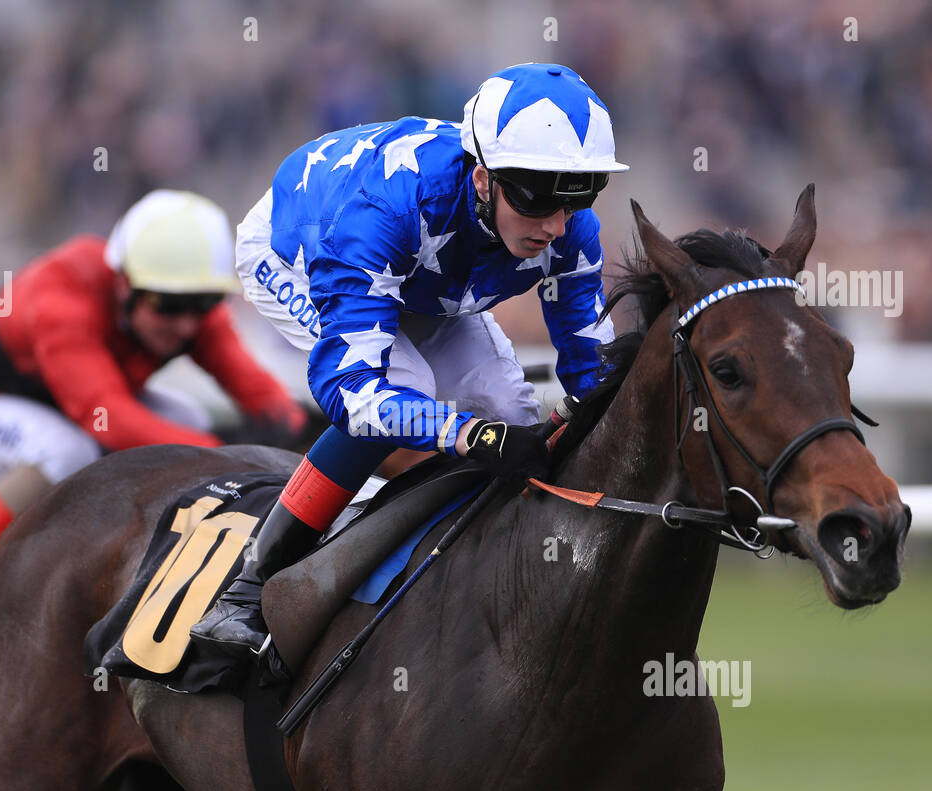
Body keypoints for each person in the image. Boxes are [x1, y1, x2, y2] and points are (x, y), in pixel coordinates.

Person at [188, 63, 628, 681]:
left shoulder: (569, 228)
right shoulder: (381, 212)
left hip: (420, 277)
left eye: (580, 192)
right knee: (407, 396)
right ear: (483, 178)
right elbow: (352, 392)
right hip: (299, 248)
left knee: (511, 408)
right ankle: (245, 591)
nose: (558, 222)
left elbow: (592, 373)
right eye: (537, 194)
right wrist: (463, 435)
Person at [0, 189, 307, 641]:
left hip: (58, 401)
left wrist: (302, 434)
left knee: (190, 420)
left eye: (205, 304)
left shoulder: (177, 299)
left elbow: (256, 389)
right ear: (123, 285)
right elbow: (107, 417)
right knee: (67, 451)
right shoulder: (61, 301)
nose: (187, 325)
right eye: (168, 307)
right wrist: (224, 457)